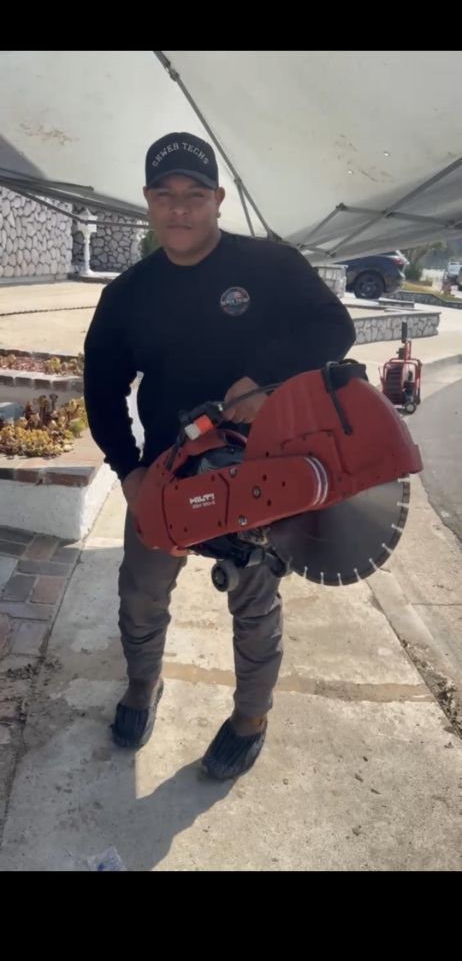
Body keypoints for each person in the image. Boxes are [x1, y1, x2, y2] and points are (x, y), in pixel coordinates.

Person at [84, 131, 356, 780]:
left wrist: (263, 377)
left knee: (253, 601)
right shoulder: (127, 294)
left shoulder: (268, 265)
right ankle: (141, 687)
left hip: (257, 472)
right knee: (142, 594)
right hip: (166, 474)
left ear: (218, 200)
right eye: (166, 195)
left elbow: (333, 327)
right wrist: (128, 470)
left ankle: (249, 719)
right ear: (148, 201)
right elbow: (100, 385)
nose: (180, 209)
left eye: (195, 195)